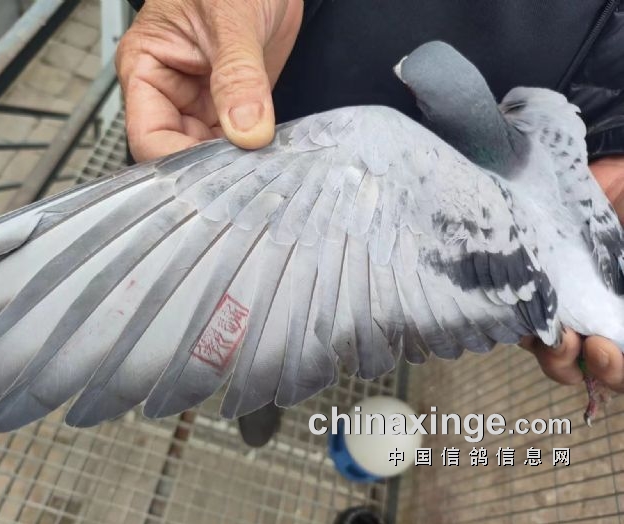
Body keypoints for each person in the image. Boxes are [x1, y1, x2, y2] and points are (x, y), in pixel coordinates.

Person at [117, 0, 624, 395]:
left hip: (328, 200)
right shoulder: (544, 115)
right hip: (242, 126)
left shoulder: (433, 141)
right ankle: (229, 365)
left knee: (275, 314)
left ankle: (243, 371)